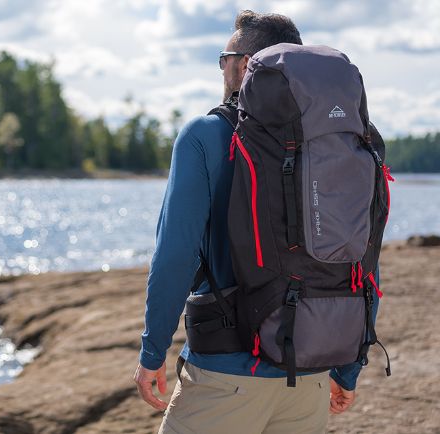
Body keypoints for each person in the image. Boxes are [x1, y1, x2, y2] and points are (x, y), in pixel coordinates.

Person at [133, 10, 378, 434]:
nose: (222, 66)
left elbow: (174, 256)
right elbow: (364, 261)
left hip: (225, 377)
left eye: (224, 56)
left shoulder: (206, 134)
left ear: (245, 64)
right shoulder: (346, 143)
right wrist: (349, 368)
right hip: (310, 374)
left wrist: (153, 353)